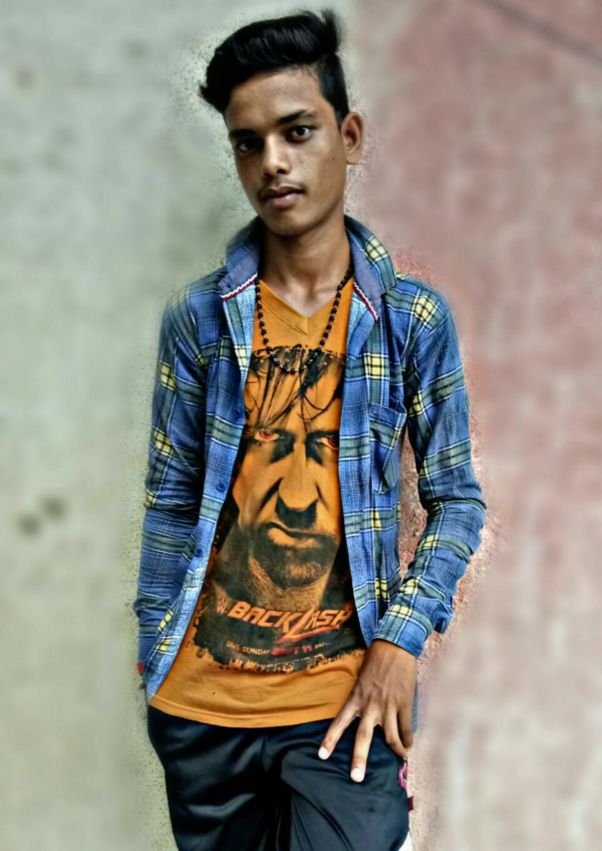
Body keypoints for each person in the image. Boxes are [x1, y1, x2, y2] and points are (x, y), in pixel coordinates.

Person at [132, 8, 486, 850]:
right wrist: (154, 653)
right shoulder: (200, 320)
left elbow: (456, 501)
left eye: (297, 132)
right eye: (248, 143)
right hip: (202, 711)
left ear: (348, 135)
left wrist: (401, 640)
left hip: (343, 707)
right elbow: (172, 500)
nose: (274, 162)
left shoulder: (409, 320)